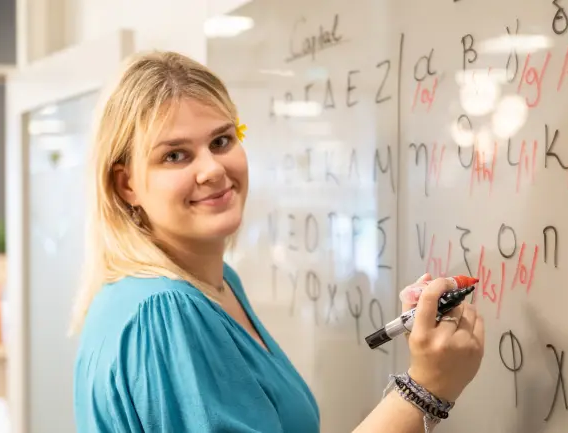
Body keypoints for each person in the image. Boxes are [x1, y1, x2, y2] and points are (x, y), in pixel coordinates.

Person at [70, 50, 485, 433]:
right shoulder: (164, 312)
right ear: (126, 185)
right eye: (175, 155)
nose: (213, 169)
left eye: (221, 141)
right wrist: (426, 387)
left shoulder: (213, 282)